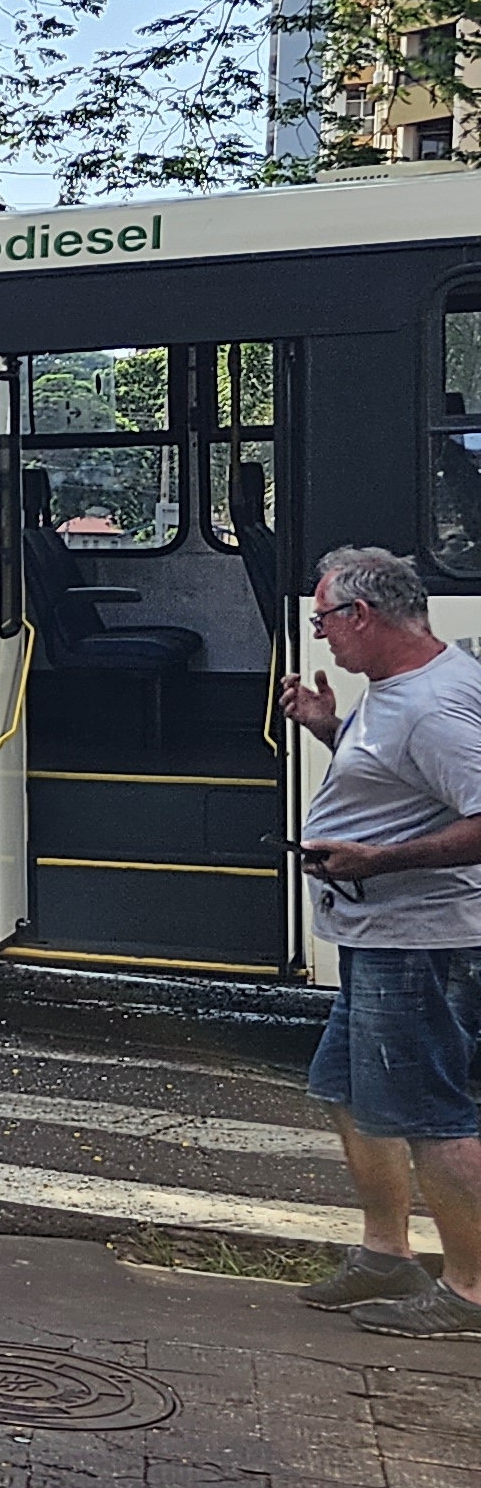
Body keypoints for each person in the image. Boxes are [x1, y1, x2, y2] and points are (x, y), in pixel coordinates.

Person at [282, 543, 481, 1335]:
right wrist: (330, 729)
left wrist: (380, 860)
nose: (321, 634)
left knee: (433, 1114)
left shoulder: (432, 706)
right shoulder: (401, 688)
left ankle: (469, 1291)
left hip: (420, 942)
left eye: (324, 618)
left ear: (361, 615)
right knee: (348, 1093)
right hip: (380, 936)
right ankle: (386, 1255)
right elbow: (402, 785)